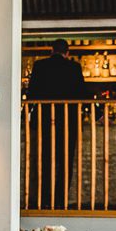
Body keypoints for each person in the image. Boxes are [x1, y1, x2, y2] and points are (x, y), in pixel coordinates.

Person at [26, 39, 88, 208]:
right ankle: (60, 200)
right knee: (66, 161)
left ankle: (44, 200)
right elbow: (83, 94)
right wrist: (97, 115)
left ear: (51, 50)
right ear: (67, 53)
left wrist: (26, 115)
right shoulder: (74, 68)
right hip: (68, 123)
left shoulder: (39, 66)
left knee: (45, 160)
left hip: (44, 122)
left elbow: (31, 94)